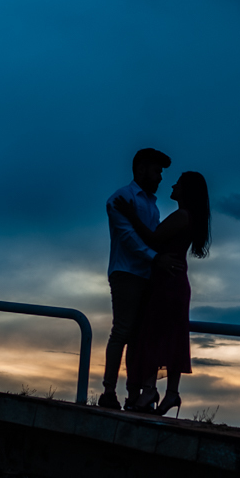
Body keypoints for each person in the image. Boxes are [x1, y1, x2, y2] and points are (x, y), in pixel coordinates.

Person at [114, 171, 211, 416]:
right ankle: (170, 394)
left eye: (178, 182)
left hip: (167, 283)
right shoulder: (189, 217)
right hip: (175, 282)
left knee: (153, 334)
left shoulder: (181, 216)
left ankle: (151, 390)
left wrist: (130, 215)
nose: (173, 184)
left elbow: (153, 238)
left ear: (186, 190)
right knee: (172, 336)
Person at [98, 148, 179, 410]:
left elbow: (145, 236)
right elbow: (128, 238)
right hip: (127, 272)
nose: (160, 177)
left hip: (145, 274)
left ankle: (132, 394)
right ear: (141, 169)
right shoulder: (120, 198)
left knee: (136, 336)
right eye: (157, 171)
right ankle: (109, 391)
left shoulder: (151, 204)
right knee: (122, 331)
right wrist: (155, 258)